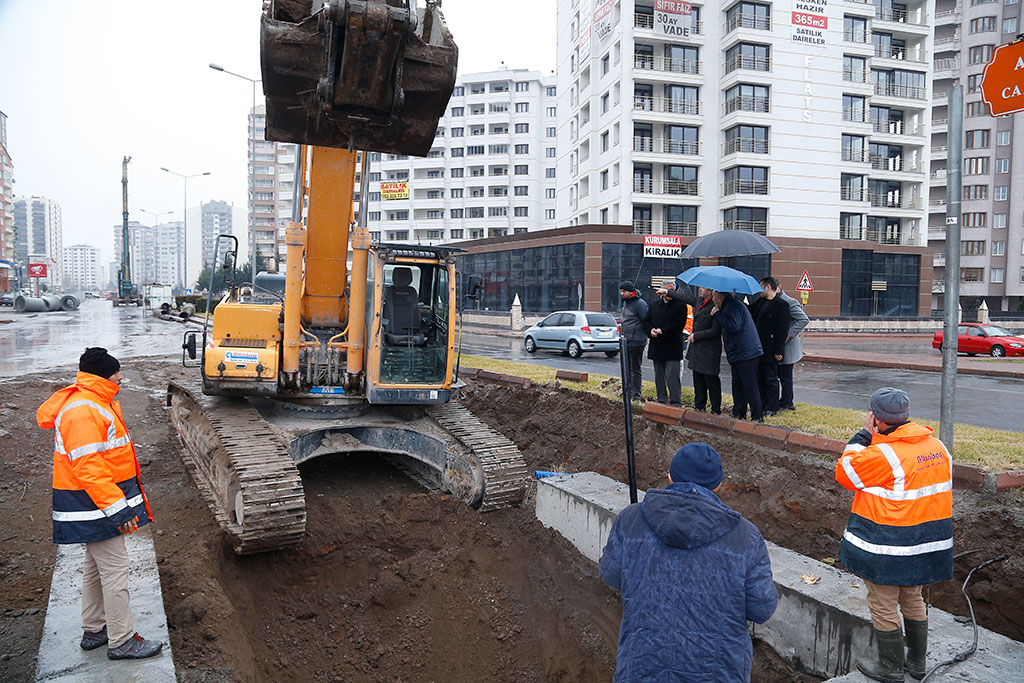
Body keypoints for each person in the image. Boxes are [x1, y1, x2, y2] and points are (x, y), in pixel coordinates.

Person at [599, 442, 778, 681]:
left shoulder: (630, 519)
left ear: (670, 476)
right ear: (718, 485)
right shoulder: (746, 537)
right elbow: (762, 608)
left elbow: (610, 574)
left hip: (642, 670)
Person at [36, 348, 163, 660]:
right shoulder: (83, 410)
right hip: (94, 506)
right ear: (104, 375)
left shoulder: (93, 402)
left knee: (95, 567)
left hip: (92, 504)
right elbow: (90, 469)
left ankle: (94, 629)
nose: (121, 377)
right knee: (116, 570)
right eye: (117, 372)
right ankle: (122, 641)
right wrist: (119, 510)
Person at [835, 388, 953, 682]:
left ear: (877, 418)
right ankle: (916, 664)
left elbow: (845, 472)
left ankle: (890, 668)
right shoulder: (937, 446)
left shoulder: (883, 454)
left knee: (882, 604)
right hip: (924, 543)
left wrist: (863, 436)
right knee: (913, 598)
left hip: (890, 545)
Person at [658, 283, 722, 413]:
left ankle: (715, 409)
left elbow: (716, 331)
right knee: (698, 380)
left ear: (710, 292)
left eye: (703, 287)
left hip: (709, 350)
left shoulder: (716, 307)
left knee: (711, 381)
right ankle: (699, 406)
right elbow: (685, 297)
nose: (700, 289)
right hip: (696, 350)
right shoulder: (699, 301)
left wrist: (696, 336)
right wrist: (668, 292)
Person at [710, 290, 764, 421]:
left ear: (719, 298)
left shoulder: (733, 305)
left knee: (750, 386)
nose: (712, 300)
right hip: (739, 353)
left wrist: (717, 314)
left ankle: (757, 417)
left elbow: (734, 326)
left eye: (713, 297)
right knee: (738, 385)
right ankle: (739, 413)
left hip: (746, 353)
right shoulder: (729, 305)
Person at [747, 277, 791, 416]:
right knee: (759, 377)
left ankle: (772, 407)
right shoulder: (760, 302)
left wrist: (779, 350)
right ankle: (762, 404)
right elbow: (750, 311)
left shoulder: (781, 305)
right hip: (758, 347)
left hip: (771, 348)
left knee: (771, 378)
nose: (758, 291)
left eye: (761, 287)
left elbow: (782, 330)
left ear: (767, 287)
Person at [641, 280, 688, 406]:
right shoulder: (654, 305)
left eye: (671, 291)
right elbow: (646, 322)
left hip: (672, 346)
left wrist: (663, 331)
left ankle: (675, 401)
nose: (669, 293)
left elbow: (679, 325)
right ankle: (661, 399)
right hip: (657, 346)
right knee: (659, 377)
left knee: (673, 377)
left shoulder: (680, 305)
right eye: (667, 290)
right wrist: (650, 331)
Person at [776, 284, 809, 411]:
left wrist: (789, 334)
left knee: (785, 376)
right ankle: (785, 401)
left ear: (778, 287)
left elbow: (803, 319)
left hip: (787, 347)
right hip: (779, 345)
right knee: (781, 376)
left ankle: (787, 402)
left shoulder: (789, 302)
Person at [618, 281, 649, 403]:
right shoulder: (626, 303)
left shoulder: (640, 304)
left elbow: (646, 321)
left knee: (635, 369)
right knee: (625, 368)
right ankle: (626, 392)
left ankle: (636, 394)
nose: (621, 293)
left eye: (624, 291)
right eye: (620, 291)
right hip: (625, 341)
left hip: (636, 341)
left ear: (631, 291)